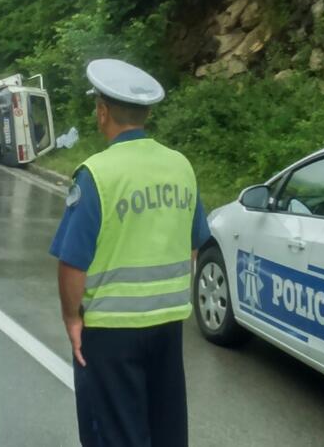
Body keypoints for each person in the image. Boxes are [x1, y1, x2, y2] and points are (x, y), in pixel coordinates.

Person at [50, 58, 210, 447]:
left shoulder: (96, 174)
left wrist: (72, 320)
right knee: (166, 428)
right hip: (168, 327)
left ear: (102, 112)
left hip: (110, 332)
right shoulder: (181, 166)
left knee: (116, 432)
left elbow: (73, 262)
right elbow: (194, 243)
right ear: (148, 113)